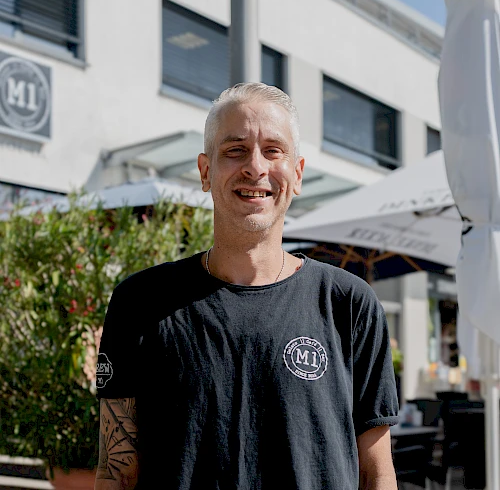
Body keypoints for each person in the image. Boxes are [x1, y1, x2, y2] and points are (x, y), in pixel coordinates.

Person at [94, 82, 399, 490]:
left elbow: (376, 473)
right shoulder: (141, 301)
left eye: (273, 150)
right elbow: (117, 471)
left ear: (297, 173)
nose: (255, 167)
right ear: (206, 171)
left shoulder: (348, 303)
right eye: (235, 150)